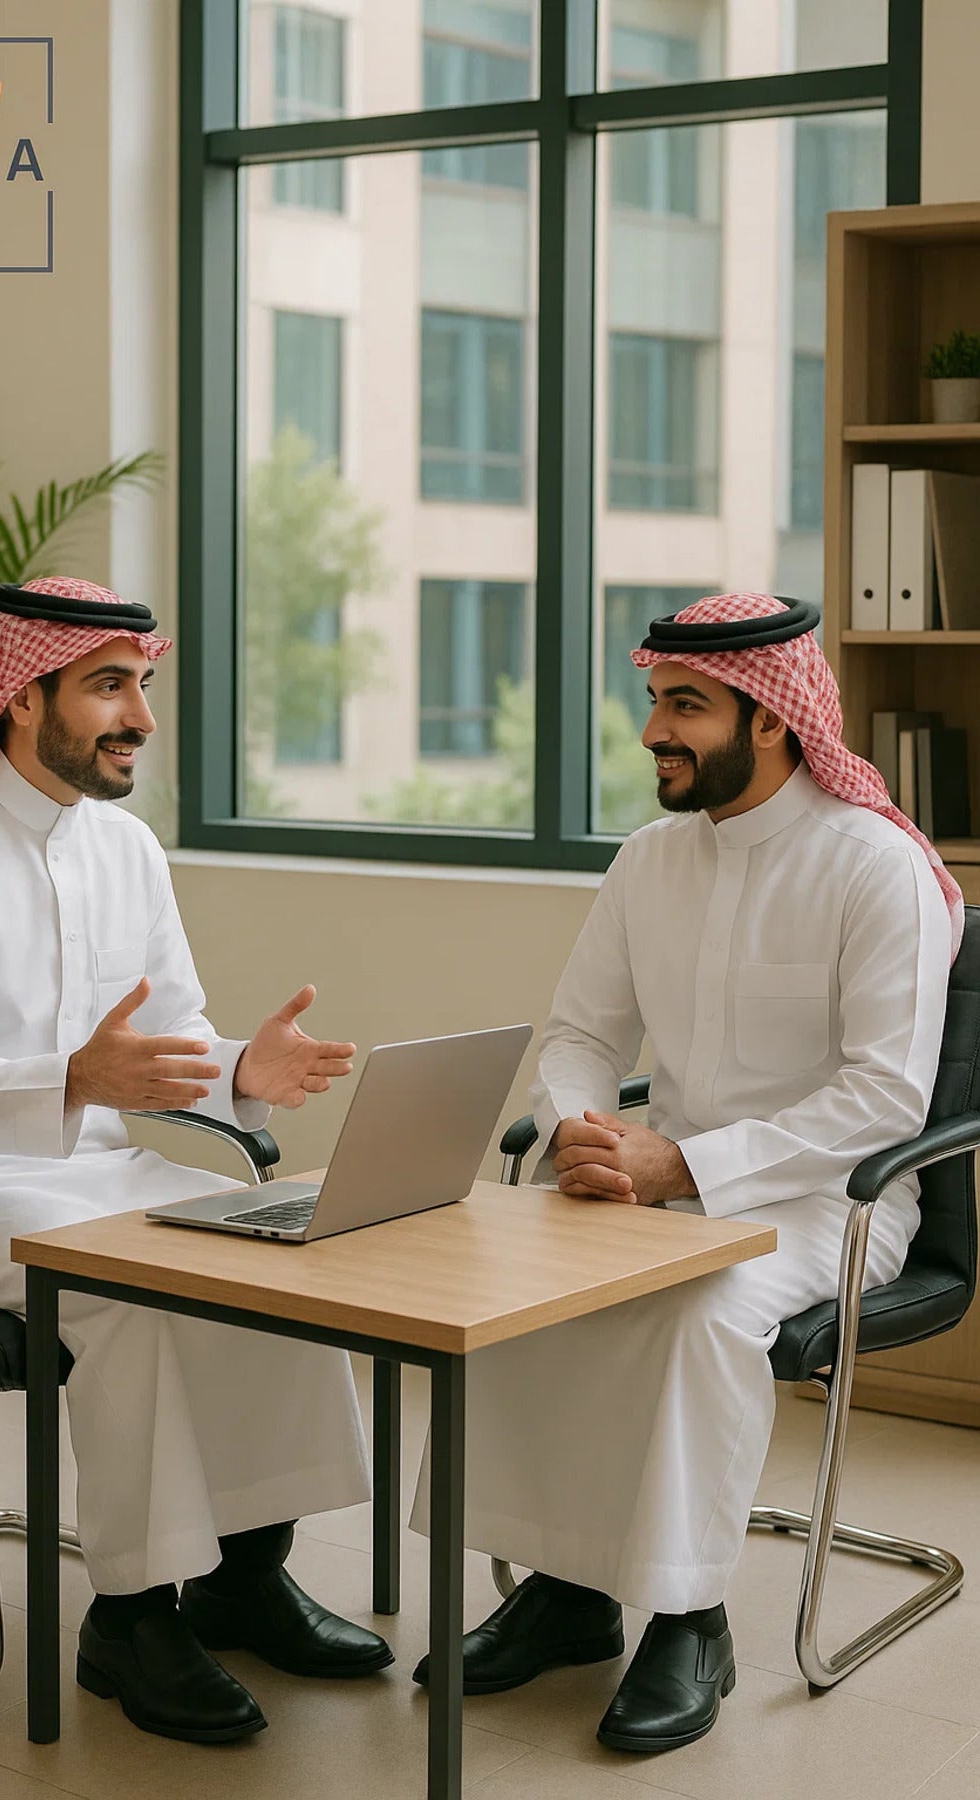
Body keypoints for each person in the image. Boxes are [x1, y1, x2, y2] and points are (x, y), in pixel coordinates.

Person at [0, 576, 392, 1746]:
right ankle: (129, 1618)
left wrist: (243, 1069)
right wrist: (72, 1083)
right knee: (139, 1300)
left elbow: (169, 1037)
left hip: (98, 1169)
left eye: (142, 685)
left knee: (274, 1247)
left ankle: (245, 1576)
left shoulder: (126, 848)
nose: (138, 714)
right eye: (107, 687)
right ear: (21, 699)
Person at [409, 591, 961, 1754]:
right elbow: (579, 1039)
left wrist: (687, 1166)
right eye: (655, 699)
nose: (655, 728)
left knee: (703, 1312)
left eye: (685, 707)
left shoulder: (878, 870)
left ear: (770, 720)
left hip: (829, 1201)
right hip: (655, 1184)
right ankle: (565, 1592)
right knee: (524, 1282)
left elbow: (881, 1103)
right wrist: (581, 1133)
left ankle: (687, 1615)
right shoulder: (649, 860)